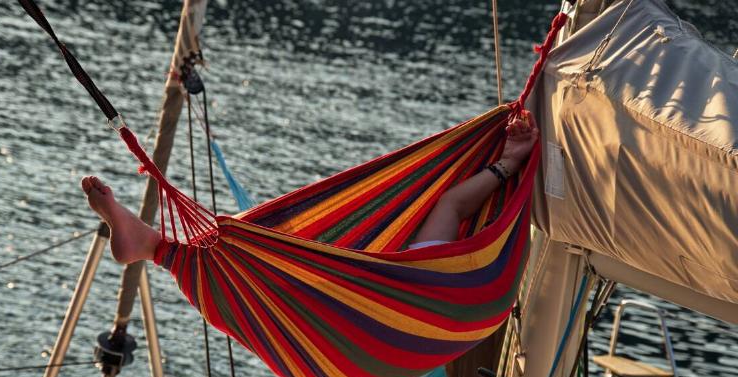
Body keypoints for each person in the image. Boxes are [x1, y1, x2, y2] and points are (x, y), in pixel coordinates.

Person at [81, 111, 537, 263]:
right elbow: (454, 204)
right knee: (259, 251)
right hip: (382, 286)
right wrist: (509, 163)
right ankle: (155, 248)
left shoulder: (445, 277)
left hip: (378, 299)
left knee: (256, 253)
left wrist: (510, 161)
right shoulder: (433, 264)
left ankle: (155, 248)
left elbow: (454, 204)